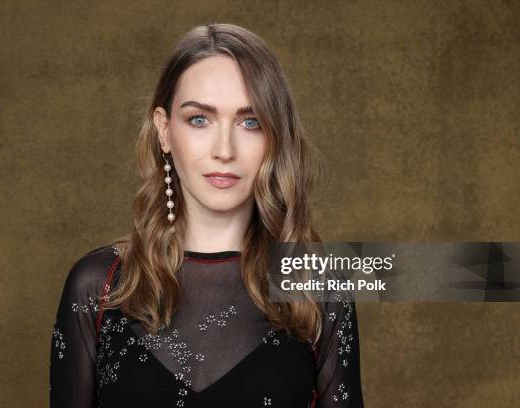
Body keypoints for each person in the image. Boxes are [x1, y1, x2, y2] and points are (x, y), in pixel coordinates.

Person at [49, 23, 364, 407]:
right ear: (164, 130)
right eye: (199, 119)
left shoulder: (320, 289)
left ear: (275, 138)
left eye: (251, 122)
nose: (224, 149)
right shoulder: (97, 286)